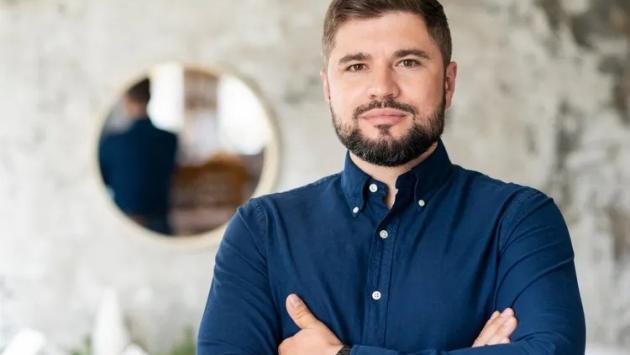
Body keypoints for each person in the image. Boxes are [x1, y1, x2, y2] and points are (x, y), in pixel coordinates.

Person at [197, 0, 586, 354]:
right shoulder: (262, 231)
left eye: (408, 62)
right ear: (328, 87)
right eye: (356, 66)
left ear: (448, 83)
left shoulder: (519, 220)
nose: (382, 88)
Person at [99, 78, 178, 235]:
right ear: (150, 97)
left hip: (123, 223)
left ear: (126, 99)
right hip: (160, 222)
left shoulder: (112, 142)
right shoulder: (169, 139)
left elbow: (103, 180)